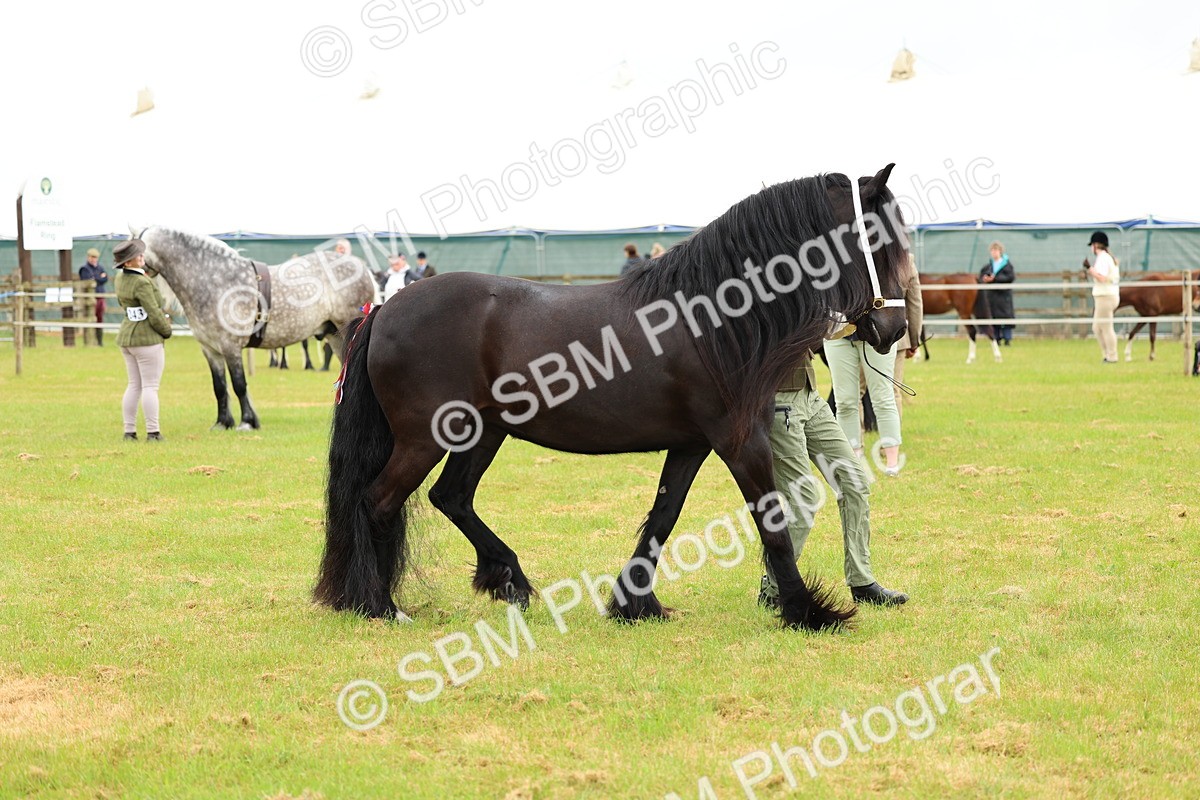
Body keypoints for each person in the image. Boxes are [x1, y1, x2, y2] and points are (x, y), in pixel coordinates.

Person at [759, 352, 908, 608]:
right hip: (778, 400)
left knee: (855, 481)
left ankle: (862, 582)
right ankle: (774, 588)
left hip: (810, 394)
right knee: (803, 499)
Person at [825, 305, 905, 477]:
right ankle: (854, 459)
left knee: (883, 397)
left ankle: (892, 463)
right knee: (845, 400)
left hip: (877, 330)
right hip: (837, 334)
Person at [114, 239, 172, 441]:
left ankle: (129, 431)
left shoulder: (120, 279)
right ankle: (153, 432)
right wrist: (166, 330)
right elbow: (154, 313)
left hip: (127, 337)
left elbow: (126, 306)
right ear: (127, 263)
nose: (142, 257)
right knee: (150, 387)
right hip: (146, 340)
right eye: (137, 256)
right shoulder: (141, 282)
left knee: (134, 385)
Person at [892, 261, 923, 418]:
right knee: (893, 391)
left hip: (861, 336)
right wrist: (914, 340)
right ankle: (893, 441)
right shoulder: (907, 261)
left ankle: (856, 442)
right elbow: (915, 305)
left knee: (855, 394)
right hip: (896, 336)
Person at [1083, 231, 1120, 363]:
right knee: (1096, 328)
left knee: (1106, 327)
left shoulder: (1103, 258)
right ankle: (1107, 354)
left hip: (1105, 296)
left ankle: (1112, 356)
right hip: (1105, 295)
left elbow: (1102, 278)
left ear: (1096, 245)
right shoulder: (1106, 258)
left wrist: (1090, 269)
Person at [979, 241, 1015, 345]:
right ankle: (996, 338)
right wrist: (985, 278)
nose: (994, 253)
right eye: (992, 251)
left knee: (1006, 317)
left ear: (1000, 251)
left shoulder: (1007, 265)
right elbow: (982, 276)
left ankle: (1007, 338)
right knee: (993, 316)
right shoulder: (988, 266)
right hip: (992, 296)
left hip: (1004, 296)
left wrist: (995, 279)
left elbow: (1010, 277)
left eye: (996, 250)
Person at [78, 247, 109, 345]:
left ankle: (99, 341)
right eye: (91, 257)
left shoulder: (100, 268)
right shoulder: (84, 269)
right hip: (90, 298)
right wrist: (99, 278)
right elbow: (88, 281)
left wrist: (96, 279)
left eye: (95, 257)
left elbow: (104, 279)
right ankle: (90, 341)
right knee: (91, 318)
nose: (93, 259)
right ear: (88, 257)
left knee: (100, 319)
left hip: (100, 297)